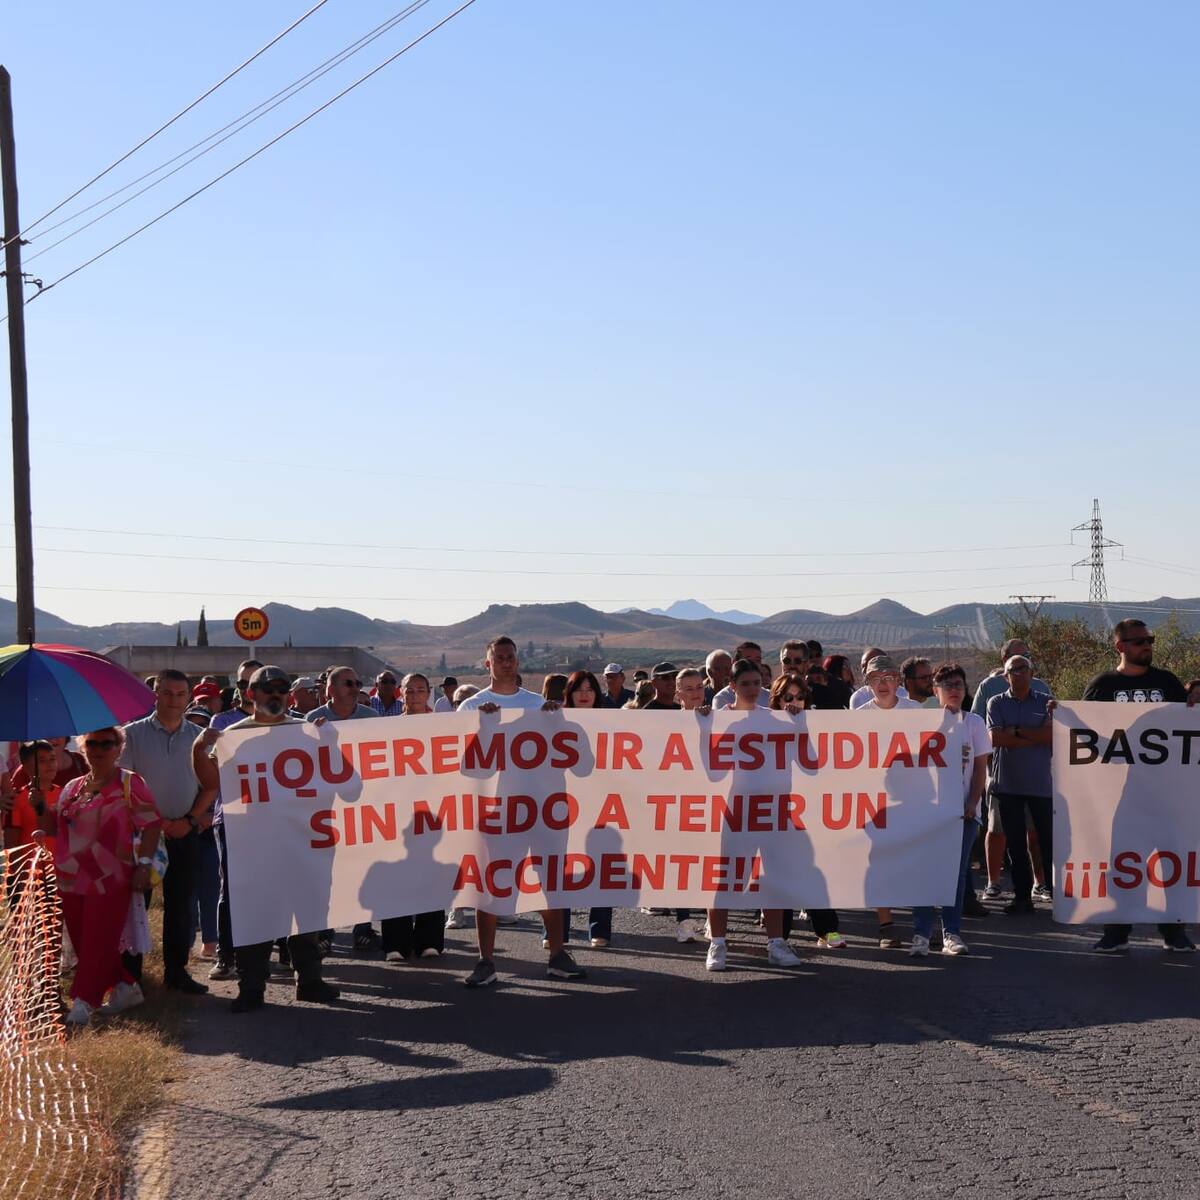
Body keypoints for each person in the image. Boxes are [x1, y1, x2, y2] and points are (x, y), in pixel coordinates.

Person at [195, 665, 340, 1012]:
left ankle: (309, 980)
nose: (275, 694)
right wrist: (199, 750)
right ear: (251, 694)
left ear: (289, 695)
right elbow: (211, 783)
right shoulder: (233, 735)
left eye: (281, 688)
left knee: (306, 907)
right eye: (267, 688)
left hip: (299, 835)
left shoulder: (305, 732)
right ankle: (251, 987)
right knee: (252, 911)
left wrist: (328, 744)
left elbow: (333, 778)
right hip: (248, 840)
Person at [457, 637, 586, 986]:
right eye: (498, 658)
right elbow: (468, 769)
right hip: (496, 813)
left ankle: (557, 953)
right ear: (487, 664)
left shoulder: (538, 704)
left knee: (550, 881)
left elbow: (563, 753)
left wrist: (556, 724)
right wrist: (485, 732)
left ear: (517, 661)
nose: (505, 662)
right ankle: (486, 960)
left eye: (510, 657)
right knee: (492, 883)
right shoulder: (471, 707)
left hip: (542, 808)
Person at [39, 726, 163, 1027]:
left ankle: (83, 1001)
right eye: (92, 743)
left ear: (118, 748)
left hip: (111, 876)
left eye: (107, 743)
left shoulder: (129, 783)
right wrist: (38, 799)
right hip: (70, 876)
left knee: (98, 938)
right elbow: (55, 827)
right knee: (84, 941)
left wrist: (144, 864)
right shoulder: (72, 787)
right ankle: (125, 987)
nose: (98, 749)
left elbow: (151, 824)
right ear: (83, 747)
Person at [1084, 619, 1196, 954]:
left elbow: (1188, 726)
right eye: (1138, 641)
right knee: (1124, 862)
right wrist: (1064, 718)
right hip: (1126, 793)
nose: (1146, 645)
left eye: (1150, 640)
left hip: (1169, 794)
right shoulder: (1103, 685)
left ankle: (1174, 930)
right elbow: (1089, 733)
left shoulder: (1166, 682)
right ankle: (1117, 930)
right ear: (1120, 647)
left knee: (1172, 860)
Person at [705, 659, 802, 972]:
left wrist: (799, 723)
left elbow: (806, 761)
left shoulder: (777, 719)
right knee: (725, 878)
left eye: (756, 682)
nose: (751, 688)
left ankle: (776, 942)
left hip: (773, 810)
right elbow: (710, 772)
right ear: (731, 686)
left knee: (771, 876)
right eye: (744, 683)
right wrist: (701, 725)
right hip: (735, 811)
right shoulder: (719, 720)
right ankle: (717, 943)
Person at [121, 669, 212, 995]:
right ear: (155, 694)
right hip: (141, 835)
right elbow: (125, 785)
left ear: (188, 697)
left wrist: (189, 820)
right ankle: (130, 977)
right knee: (135, 906)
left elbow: (210, 787)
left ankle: (177, 973)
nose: (174, 700)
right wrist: (154, 823)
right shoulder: (131, 735)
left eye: (180, 694)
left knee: (180, 905)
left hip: (183, 830)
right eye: (167, 693)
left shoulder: (199, 738)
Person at [910, 663, 991, 956]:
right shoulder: (922, 722)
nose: (954, 690)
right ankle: (920, 933)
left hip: (963, 814)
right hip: (927, 811)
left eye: (958, 685)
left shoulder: (974, 723)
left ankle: (951, 933)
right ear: (936, 691)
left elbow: (980, 767)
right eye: (947, 686)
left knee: (955, 874)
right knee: (924, 872)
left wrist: (972, 802)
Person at [768, 675, 847, 950]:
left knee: (813, 868)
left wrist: (800, 727)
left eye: (798, 697)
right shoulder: (762, 722)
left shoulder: (814, 722)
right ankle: (782, 935)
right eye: (787, 698)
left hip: (808, 810)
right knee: (779, 871)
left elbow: (812, 766)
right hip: (773, 810)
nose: (793, 703)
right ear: (776, 700)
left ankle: (827, 930)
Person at [306, 667, 381, 952]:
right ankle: (324, 930)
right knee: (328, 871)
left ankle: (363, 928)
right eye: (349, 683)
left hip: (363, 807)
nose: (355, 687)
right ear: (331, 689)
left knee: (362, 868)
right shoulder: (313, 721)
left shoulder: (371, 719)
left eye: (358, 682)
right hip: (326, 809)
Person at [970, 639, 1052, 900]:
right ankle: (995, 882)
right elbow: (989, 735)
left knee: (1036, 834)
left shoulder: (1043, 691)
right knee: (998, 831)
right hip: (1001, 775)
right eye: (1015, 663)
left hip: (1038, 778)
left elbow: (1052, 734)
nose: (1021, 668)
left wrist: (1014, 732)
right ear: (1004, 665)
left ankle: (1040, 883)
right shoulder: (990, 691)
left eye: (1026, 660)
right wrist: (1032, 736)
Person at [381, 673, 446, 962]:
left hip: (434, 810)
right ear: (401, 693)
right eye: (410, 690)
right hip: (396, 810)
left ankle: (429, 940)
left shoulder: (443, 727)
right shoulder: (385, 727)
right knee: (396, 876)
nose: (416, 695)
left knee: (430, 873)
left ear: (429, 693)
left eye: (421, 690)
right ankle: (396, 941)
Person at [857, 655, 920, 947]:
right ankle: (887, 925)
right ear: (867, 684)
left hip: (912, 799)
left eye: (887, 677)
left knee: (915, 860)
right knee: (879, 861)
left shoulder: (916, 712)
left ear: (898, 680)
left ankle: (922, 925)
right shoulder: (859, 716)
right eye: (874, 679)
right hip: (875, 801)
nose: (882, 684)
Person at [206, 659, 262, 980]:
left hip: (273, 818)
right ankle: (226, 955)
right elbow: (212, 770)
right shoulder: (223, 722)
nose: (249, 691)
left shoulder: (288, 723)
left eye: (256, 684)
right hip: (232, 816)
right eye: (242, 684)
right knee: (231, 888)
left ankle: (279, 948)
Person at [556, 670, 613, 948]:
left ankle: (599, 929)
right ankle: (556, 930)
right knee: (562, 866)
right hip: (563, 804)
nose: (585, 693)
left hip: (602, 804)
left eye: (590, 688)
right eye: (579, 688)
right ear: (569, 692)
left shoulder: (612, 722)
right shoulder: (555, 720)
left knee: (601, 864)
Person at [712, 642, 767, 709]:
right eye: (748, 659)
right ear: (736, 663)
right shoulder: (722, 699)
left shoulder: (769, 697)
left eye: (757, 660)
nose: (753, 663)